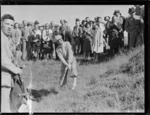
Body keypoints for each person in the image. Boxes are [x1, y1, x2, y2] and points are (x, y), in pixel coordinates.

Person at [1, 14, 23, 112]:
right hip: (3, 78)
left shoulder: (6, 38)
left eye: (11, 25)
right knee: (5, 107)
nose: (9, 27)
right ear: (1, 24)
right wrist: (16, 70)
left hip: (6, 77)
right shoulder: (2, 39)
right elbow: (2, 60)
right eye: (7, 24)